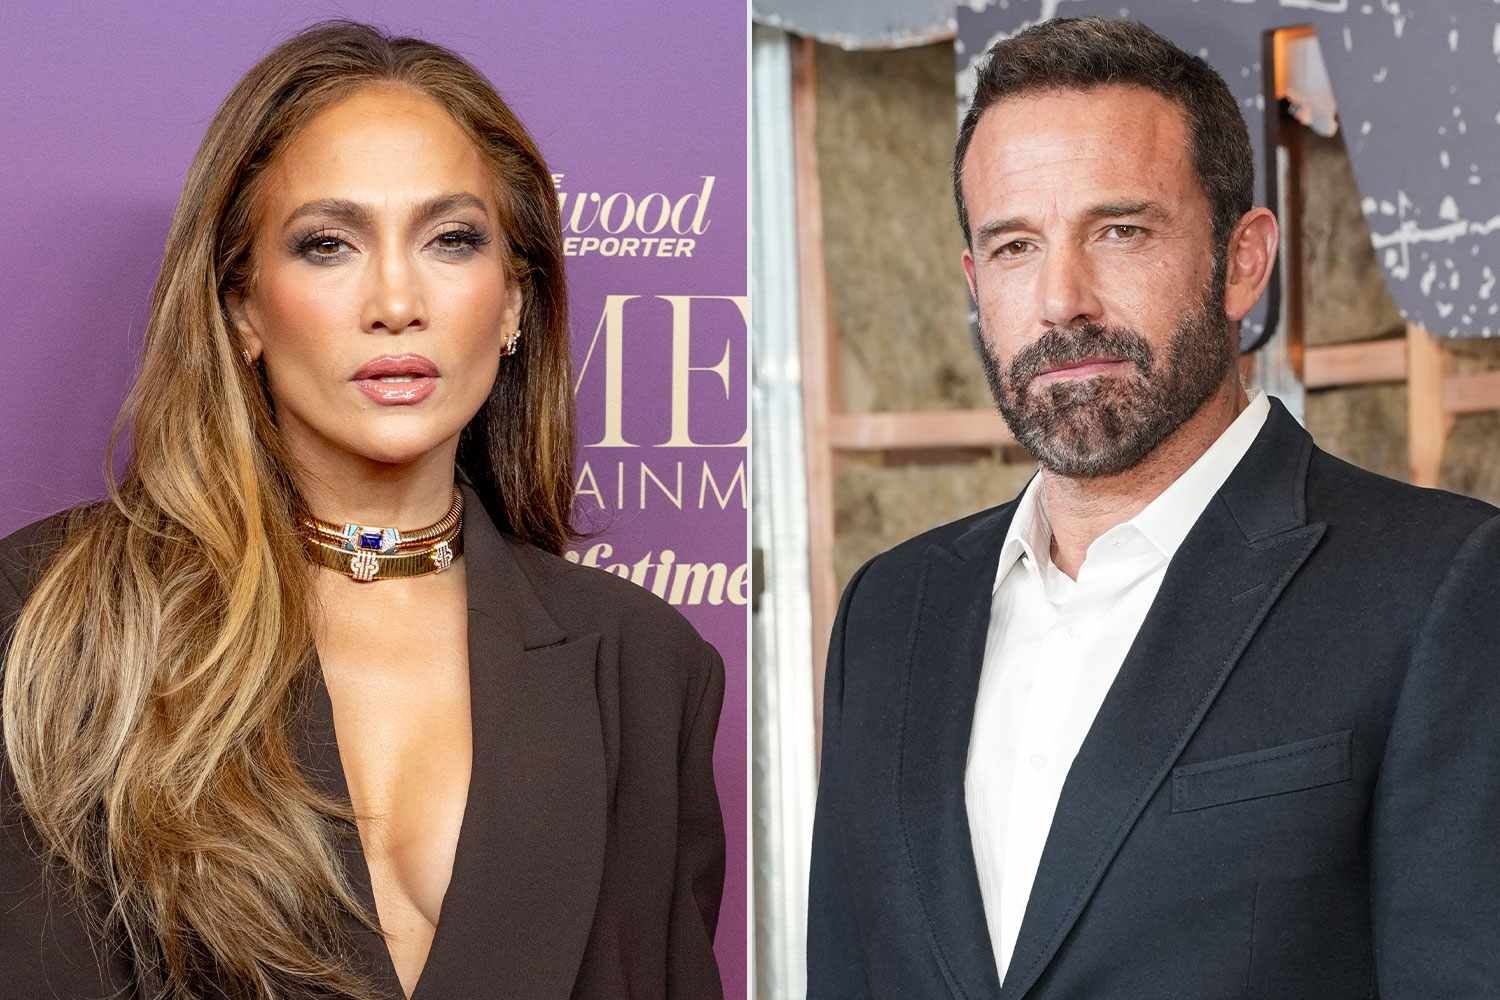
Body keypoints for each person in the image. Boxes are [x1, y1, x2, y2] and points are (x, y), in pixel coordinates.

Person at [0, 20, 724, 1000]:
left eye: (451, 239)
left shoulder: (642, 666)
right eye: (329, 244)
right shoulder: (50, 613)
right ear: (243, 307)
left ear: (514, 303)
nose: (395, 300)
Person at [807, 16, 1499, 999]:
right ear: (974, 282)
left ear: (1242, 260)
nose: (1062, 299)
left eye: (1119, 231)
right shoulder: (888, 611)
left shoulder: (1438, 588)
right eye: (1014, 246)